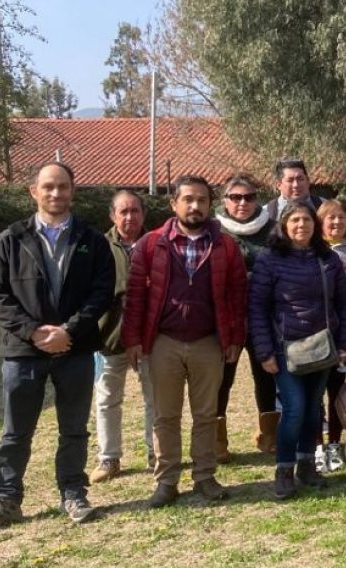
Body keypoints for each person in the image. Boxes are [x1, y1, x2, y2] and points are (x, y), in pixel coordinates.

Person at [0, 162, 115, 533]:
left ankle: (73, 492)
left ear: (73, 190)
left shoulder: (91, 239)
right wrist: (33, 331)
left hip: (75, 349)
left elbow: (102, 291)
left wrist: (68, 330)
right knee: (15, 431)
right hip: (23, 352)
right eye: (48, 187)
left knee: (73, 427)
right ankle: (6, 500)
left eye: (63, 186)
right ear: (33, 191)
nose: (56, 193)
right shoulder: (11, 238)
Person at [122, 174, 247, 508]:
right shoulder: (150, 244)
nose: (195, 206)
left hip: (209, 341)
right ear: (173, 203)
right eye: (188, 199)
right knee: (165, 415)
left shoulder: (225, 245)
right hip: (164, 341)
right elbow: (135, 296)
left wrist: (235, 336)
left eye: (202, 200)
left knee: (206, 414)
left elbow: (237, 294)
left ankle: (205, 476)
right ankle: (166, 481)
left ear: (210, 204)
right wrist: (133, 339)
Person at [249, 202, 346, 499]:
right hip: (285, 349)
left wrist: (345, 342)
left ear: (315, 225)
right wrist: (264, 351)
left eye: (307, 220)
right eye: (295, 220)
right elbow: (257, 307)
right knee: (294, 409)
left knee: (312, 410)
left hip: (322, 346)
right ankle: (284, 469)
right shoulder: (269, 259)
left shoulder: (328, 259)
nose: (301, 226)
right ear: (284, 225)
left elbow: (344, 303)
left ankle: (307, 465)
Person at [91, 189, 154, 483]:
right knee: (106, 400)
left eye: (135, 211)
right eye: (123, 211)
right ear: (112, 215)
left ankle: (157, 455)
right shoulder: (97, 247)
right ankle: (109, 458)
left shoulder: (158, 245)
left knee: (155, 399)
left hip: (152, 338)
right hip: (109, 339)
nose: (130, 217)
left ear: (143, 214)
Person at [215, 174, 280, 456]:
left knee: (265, 375)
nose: (243, 203)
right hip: (226, 317)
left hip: (264, 316)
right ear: (224, 201)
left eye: (249, 197)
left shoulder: (275, 230)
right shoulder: (213, 231)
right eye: (236, 197)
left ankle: (269, 435)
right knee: (221, 378)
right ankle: (217, 441)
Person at [318, 199, 346, 470]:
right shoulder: (310, 251)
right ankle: (315, 447)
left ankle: (335, 444)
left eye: (341, 218)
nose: (336, 223)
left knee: (337, 392)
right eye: (330, 218)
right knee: (312, 396)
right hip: (311, 334)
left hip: (345, 331)